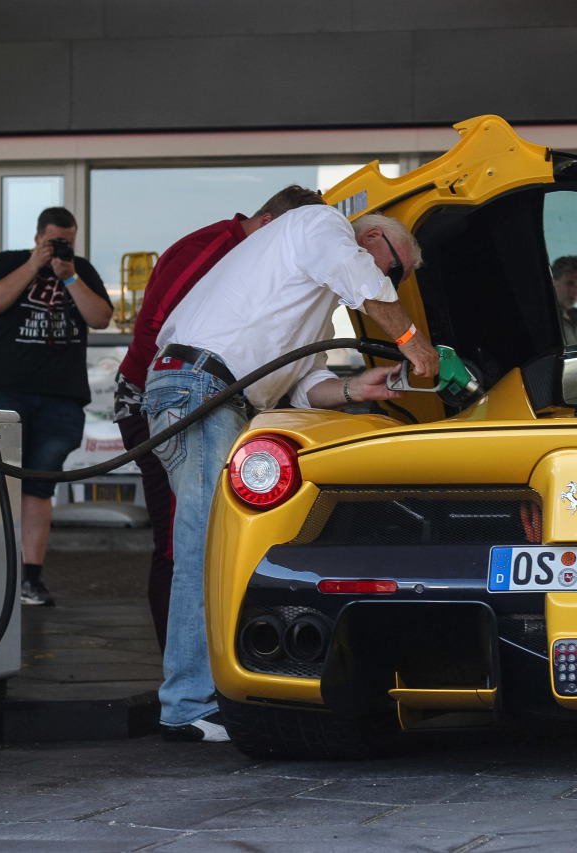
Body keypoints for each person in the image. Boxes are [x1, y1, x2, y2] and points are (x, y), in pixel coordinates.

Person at [145, 204, 439, 742]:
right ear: (372, 237)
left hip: (207, 391)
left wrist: (358, 389)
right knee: (204, 546)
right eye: (393, 269)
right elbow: (363, 281)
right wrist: (412, 341)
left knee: (215, 544)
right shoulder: (319, 224)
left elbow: (305, 386)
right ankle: (187, 706)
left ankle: (202, 697)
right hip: (200, 387)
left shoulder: (306, 297)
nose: (389, 281)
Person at [112, 186, 325, 652]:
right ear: (271, 225)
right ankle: (180, 671)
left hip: (195, 397)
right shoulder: (211, 247)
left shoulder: (246, 258)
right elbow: (158, 327)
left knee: (199, 537)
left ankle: (187, 667)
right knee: (180, 541)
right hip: (161, 398)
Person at [0, 207, 114, 606]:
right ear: (37, 237)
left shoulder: (79, 269)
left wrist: (68, 273)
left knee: (40, 483)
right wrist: (35, 264)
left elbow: (100, 317)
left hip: (60, 397)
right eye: (53, 240)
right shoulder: (11, 261)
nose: (59, 247)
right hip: (3, 391)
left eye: (67, 239)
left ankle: (30, 578)